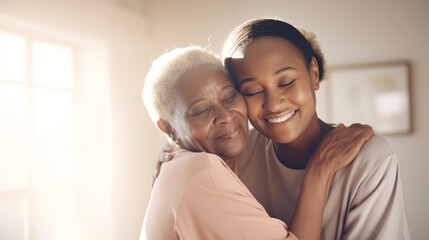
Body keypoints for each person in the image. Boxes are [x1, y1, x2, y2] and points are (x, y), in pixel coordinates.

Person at [140, 46, 373, 239]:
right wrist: (320, 167)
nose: (226, 116)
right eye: (202, 110)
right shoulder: (202, 172)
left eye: (230, 96)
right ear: (169, 129)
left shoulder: (183, 164)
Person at [222, 18, 410, 239]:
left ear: (313, 74)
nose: (273, 104)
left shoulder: (369, 158)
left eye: (286, 82)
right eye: (252, 91)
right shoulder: (235, 156)